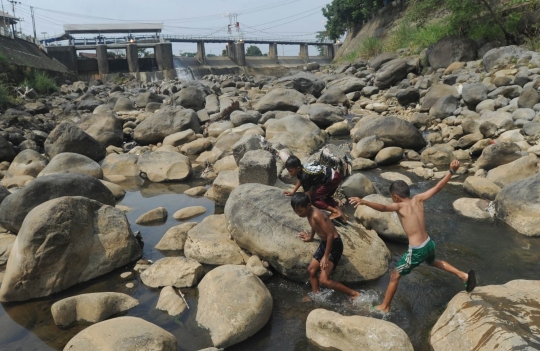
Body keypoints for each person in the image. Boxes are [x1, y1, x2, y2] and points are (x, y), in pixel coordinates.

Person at [349, 160, 476, 313]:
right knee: (433, 262)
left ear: (395, 197)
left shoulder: (399, 206)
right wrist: (451, 171)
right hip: (429, 243)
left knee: (394, 275)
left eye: (391, 197)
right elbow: (437, 187)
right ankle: (463, 275)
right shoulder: (418, 199)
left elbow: (383, 208)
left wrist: (364, 202)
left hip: (417, 249)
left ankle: (385, 307)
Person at [291, 192, 360, 301]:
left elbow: (330, 235)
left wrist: (325, 256)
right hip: (325, 243)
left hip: (334, 244)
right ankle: (316, 295)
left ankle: (354, 293)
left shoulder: (316, 215)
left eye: (300, 211)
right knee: (311, 270)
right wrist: (310, 237)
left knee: (324, 279)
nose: (298, 214)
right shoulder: (308, 213)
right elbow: (314, 226)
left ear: (308, 206)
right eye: (295, 211)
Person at [284, 155, 346, 221]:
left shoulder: (304, 176)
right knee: (326, 197)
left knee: (314, 199)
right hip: (335, 175)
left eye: (290, 171)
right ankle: (343, 217)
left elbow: (308, 196)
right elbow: (300, 180)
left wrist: (308, 207)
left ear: (298, 168)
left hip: (331, 180)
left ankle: (335, 212)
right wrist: (293, 192)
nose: (289, 173)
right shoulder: (302, 168)